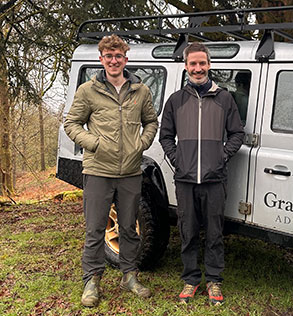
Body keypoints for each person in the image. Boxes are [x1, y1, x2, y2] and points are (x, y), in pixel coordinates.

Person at [64, 34, 158, 307]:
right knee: (95, 229)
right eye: (109, 56)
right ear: (101, 59)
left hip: (130, 172)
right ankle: (92, 280)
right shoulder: (88, 91)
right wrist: (94, 144)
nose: (114, 60)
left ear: (125, 59)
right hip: (98, 171)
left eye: (118, 56)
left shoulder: (141, 91)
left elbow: (151, 122)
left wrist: (141, 143)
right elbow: (72, 124)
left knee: (129, 228)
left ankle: (129, 276)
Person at [159, 42, 244, 306]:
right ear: (186, 66)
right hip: (185, 180)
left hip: (214, 179)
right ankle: (191, 279)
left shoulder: (224, 98)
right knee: (188, 231)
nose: (198, 68)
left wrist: (222, 157)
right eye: (193, 64)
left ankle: (214, 281)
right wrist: (178, 160)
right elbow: (165, 137)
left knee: (215, 233)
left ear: (209, 65)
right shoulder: (176, 100)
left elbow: (237, 133)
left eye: (202, 63)